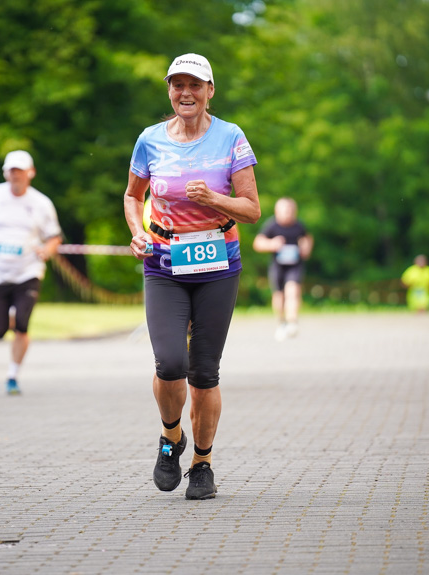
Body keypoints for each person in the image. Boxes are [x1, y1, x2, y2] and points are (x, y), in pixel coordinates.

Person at [124, 53, 261, 500]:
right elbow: (131, 196)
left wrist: (215, 199)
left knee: (204, 371)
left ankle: (202, 463)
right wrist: (137, 231)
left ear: (210, 91)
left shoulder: (231, 137)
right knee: (170, 363)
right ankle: (171, 439)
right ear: (169, 90)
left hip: (218, 262)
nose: (186, 93)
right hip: (164, 261)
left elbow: (253, 210)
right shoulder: (149, 139)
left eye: (195, 85)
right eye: (177, 84)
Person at [0, 150, 62, 395]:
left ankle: (12, 375)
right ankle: (7, 317)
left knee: (22, 325)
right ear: (5, 173)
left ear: (31, 173)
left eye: (19, 171)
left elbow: (54, 236)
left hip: (27, 271)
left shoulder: (41, 203)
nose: (15, 175)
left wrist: (47, 251)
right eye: (11, 171)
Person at [253, 197, 313, 340]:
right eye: (285, 210)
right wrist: (272, 244)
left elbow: (308, 238)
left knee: (293, 290)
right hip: (277, 266)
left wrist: (306, 248)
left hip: (295, 265)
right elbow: (258, 243)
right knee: (279, 295)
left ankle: (292, 322)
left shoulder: (299, 226)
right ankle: (281, 323)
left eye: (291, 210)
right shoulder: (271, 225)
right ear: (277, 211)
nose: (288, 213)